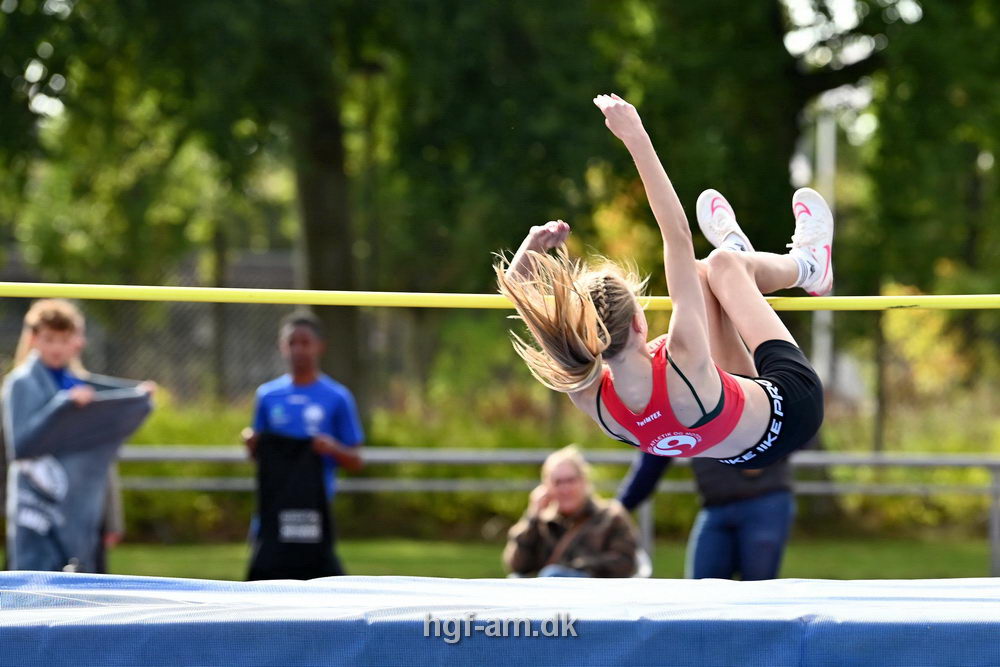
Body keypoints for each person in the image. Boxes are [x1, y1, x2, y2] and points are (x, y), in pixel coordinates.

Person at [495, 93, 831, 469]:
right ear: (640, 322)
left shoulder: (590, 396)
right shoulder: (682, 357)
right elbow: (677, 236)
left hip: (739, 449)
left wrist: (529, 250)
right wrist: (636, 137)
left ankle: (742, 258)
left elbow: (520, 297)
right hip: (794, 408)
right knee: (721, 265)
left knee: (705, 276)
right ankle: (809, 265)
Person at [2, 299, 154, 572]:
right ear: (34, 339)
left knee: (80, 587)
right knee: (35, 584)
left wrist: (134, 397)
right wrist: (64, 405)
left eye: (63, 339)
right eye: (49, 339)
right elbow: (21, 445)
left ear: (76, 341)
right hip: (36, 509)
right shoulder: (22, 383)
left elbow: (99, 455)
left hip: (80, 506)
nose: (56, 348)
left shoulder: (78, 382)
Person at [242, 310, 364, 580]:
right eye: (291, 342)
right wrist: (252, 442)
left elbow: (356, 460)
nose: (298, 349)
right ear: (281, 346)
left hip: (314, 507)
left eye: (305, 342)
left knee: (320, 581)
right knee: (265, 579)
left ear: (320, 346)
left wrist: (331, 448)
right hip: (274, 506)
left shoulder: (337, 397)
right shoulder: (268, 395)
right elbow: (258, 456)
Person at [619, 452, 794, 580]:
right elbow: (654, 455)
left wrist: (765, 455)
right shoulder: (675, 407)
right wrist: (621, 506)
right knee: (702, 592)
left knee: (759, 593)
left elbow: (802, 420)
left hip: (764, 501)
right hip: (714, 505)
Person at [504, 445, 638, 577]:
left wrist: (574, 570)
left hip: (594, 592)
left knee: (553, 574)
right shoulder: (542, 522)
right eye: (558, 482)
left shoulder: (610, 516)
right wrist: (532, 516)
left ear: (584, 481)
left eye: (570, 480)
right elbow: (517, 565)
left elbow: (625, 563)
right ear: (546, 487)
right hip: (548, 595)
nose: (565, 489)